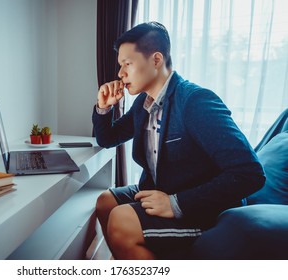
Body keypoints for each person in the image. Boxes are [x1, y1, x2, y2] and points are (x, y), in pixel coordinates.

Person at [92, 21, 265, 259]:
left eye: (127, 64)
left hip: (203, 206)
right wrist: (104, 108)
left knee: (121, 219)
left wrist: (175, 203)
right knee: (105, 202)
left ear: (155, 60)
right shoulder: (143, 104)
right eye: (120, 65)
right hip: (161, 189)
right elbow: (108, 139)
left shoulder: (195, 101)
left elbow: (250, 173)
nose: (120, 74)